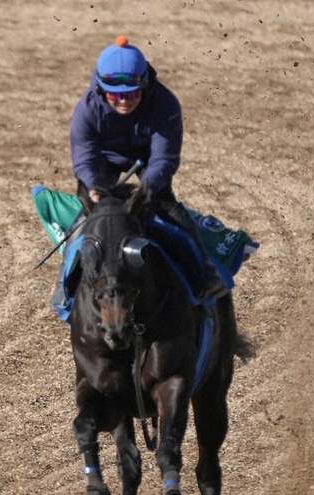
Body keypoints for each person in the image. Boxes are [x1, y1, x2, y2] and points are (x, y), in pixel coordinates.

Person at [69, 35, 226, 300]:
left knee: (171, 212)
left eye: (131, 93)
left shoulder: (166, 104)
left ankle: (206, 273)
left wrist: (146, 189)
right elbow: (84, 158)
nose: (123, 101)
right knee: (83, 223)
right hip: (104, 162)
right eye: (114, 95)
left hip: (148, 161)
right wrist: (94, 189)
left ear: (144, 84)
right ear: (100, 89)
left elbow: (164, 159)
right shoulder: (85, 111)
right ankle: (67, 286)